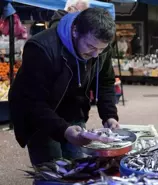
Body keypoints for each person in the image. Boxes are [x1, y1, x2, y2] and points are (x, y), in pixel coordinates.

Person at [9, 8, 119, 166]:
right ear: (75, 31)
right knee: (52, 170)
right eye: (90, 47)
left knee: (77, 166)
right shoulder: (40, 48)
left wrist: (109, 115)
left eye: (101, 49)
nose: (95, 54)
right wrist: (64, 131)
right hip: (39, 118)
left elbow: (105, 81)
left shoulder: (100, 49)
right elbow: (32, 103)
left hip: (73, 110)